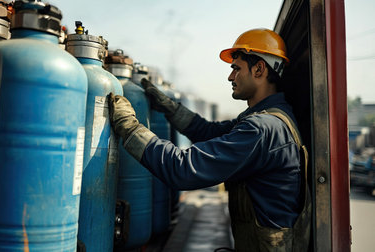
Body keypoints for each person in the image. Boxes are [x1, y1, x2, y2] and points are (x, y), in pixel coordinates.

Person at [108, 28, 311, 251]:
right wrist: (170, 108)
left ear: (259, 69)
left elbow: (183, 169)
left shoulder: (262, 129)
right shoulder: (273, 118)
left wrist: (129, 127)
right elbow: (207, 131)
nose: (230, 76)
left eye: (236, 68)